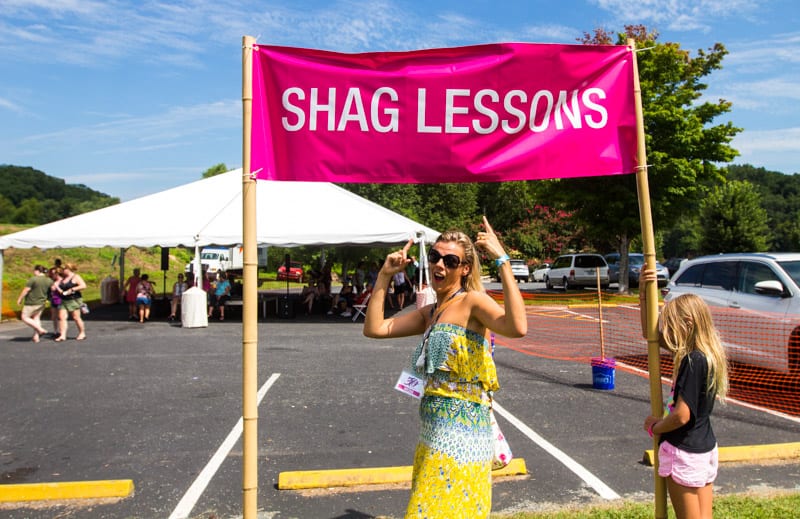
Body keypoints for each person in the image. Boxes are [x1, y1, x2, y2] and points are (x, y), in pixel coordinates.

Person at [363, 216, 527, 518]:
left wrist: (502, 259)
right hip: (431, 431)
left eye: (451, 261)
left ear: (464, 269)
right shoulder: (431, 312)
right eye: (436, 257)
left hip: (462, 437)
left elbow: (517, 327)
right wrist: (384, 276)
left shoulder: (473, 302)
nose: (440, 265)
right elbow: (375, 328)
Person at [640, 268, 728, 519]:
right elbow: (651, 335)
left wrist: (655, 427)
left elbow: (681, 415)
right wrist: (645, 294)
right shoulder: (710, 356)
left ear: (687, 324)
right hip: (705, 449)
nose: (665, 330)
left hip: (685, 452)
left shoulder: (692, 360)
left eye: (670, 323)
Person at [16, 264, 51, 342]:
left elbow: (26, 290)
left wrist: (20, 298)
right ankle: (36, 336)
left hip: (31, 302)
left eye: (34, 271)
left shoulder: (33, 279)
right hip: (41, 302)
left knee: (24, 317)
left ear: (37, 271)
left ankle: (40, 329)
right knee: (36, 318)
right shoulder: (48, 280)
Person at [54, 262, 88, 341]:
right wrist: (56, 286)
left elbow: (83, 285)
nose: (62, 271)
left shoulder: (76, 277)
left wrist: (72, 289)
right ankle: (62, 335)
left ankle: (82, 333)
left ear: (68, 269)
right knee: (62, 317)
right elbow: (59, 289)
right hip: (63, 300)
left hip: (73, 299)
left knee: (76, 317)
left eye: (64, 269)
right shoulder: (63, 278)